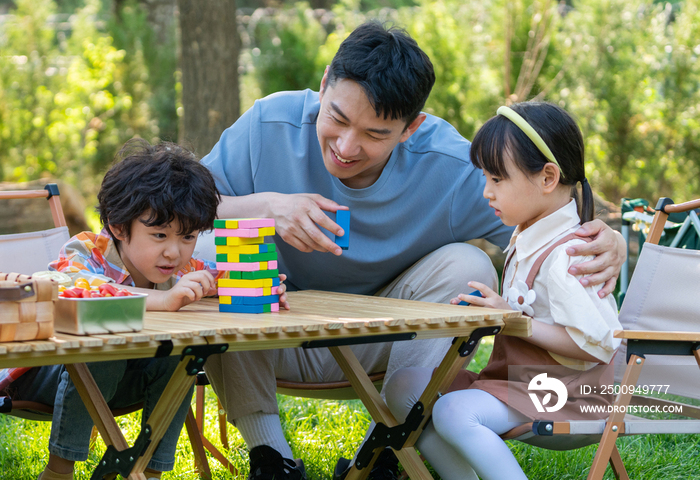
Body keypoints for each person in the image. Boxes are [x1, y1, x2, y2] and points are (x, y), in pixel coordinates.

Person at [199, 21, 626, 480]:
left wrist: (608, 239)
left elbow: (551, 217)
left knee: (468, 264)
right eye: (337, 119)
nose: (346, 147)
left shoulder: (449, 166)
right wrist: (264, 207)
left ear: (411, 128)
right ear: (323, 85)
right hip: (263, 336)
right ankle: (271, 457)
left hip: (379, 344)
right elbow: (174, 212)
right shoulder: (269, 124)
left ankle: (386, 449)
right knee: (207, 246)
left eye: (375, 134)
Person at [0, 139, 286, 480]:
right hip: (43, 375)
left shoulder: (181, 268)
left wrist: (260, 286)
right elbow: (75, 287)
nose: (174, 253)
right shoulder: (87, 251)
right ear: (119, 226)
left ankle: (151, 469)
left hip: (121, 381)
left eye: (188, 237)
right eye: (160, 235)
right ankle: (59, 470)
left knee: (182, 356)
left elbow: (218, 275)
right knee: (105, 347)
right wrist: (163, 301)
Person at [384, 102, 622, 480]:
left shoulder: (568, 255)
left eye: (497, 180)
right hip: (517, 385)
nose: (486, 193)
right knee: (402, 386)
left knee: (453, 411)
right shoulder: (527, 236)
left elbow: (599, 343)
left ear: (547, 178)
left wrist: (512, 321)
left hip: (569, 397)